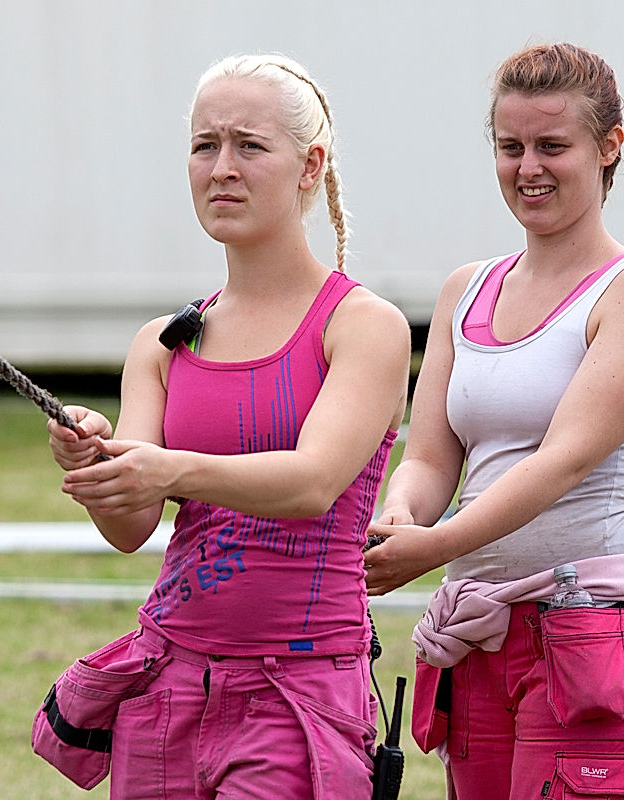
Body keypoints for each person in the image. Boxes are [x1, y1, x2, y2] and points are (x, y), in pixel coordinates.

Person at [36, 54, 410, 799]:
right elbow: (131, 526)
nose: (222, 168)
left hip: (299, 688)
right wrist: (96, 463)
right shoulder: (164, 342)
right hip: (168, 684)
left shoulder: (363, 326)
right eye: (205, 145)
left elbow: (312, 482)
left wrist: (165, 467)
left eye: (249, 145)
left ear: (310, 165)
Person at [363, 43, 624, 800]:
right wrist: (401, 514)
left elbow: (561, 462)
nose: (529, 167)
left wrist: (433, 548)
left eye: (552, 146)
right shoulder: (467, 290)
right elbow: (431, 455)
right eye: (510, 147)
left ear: (610, 147)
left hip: (597, 628)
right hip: (487, 634)